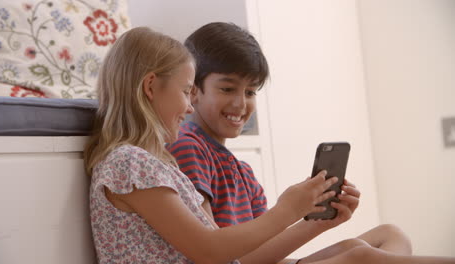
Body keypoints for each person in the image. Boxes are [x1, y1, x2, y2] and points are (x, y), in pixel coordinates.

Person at [168, 22, 455, 264]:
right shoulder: (188, 146)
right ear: (193, 91)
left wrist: (317, 221)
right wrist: (289, 211)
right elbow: (215, 254)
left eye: (251, 91)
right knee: (360, 257)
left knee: (391, 235)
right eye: (227, 88)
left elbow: (266, 255)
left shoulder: (242, 171)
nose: (240, 103)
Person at [83, 26, 341, 264]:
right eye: (185, 91)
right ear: (150, 86)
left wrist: (310, 218)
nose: (188, 105)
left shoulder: (156, 166)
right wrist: (289, 209)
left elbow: (227, 253)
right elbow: (210, 250)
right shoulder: (129, 164)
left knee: (357, 251)